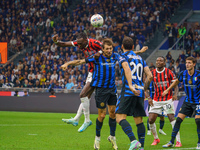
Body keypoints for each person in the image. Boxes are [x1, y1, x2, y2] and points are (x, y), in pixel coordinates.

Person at [55, 32, 147, 132]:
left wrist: (138, 52)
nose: (79, 46)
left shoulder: (96, 43)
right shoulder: (79, 42)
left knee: (84, 95)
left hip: (98, 72)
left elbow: (119, 54)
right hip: (91, 72)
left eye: (81, 43)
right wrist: (56, 41)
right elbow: (63, 44)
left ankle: (85, 120)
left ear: (86, 40)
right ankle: (78, 119)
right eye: (78, 43)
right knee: (86, 96)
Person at [115, 37, 152, 150]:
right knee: (139, 120)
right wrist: (144, 88)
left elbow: (126, 68)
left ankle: (133, 140)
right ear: (132, 47)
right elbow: (150, 76)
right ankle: (141, 147)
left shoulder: (122, 56)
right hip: (140, 92)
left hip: (128, 91)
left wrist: (131, 85)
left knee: (119, 117)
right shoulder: (141, 59)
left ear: (122, 46)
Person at [162, 57, 200, 149]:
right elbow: (176, 82)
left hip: (198, 102)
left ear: (194, 64)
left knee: (198, 121)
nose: (187, 64)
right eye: (186, 63)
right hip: (187, 102)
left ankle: (199, 143)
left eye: (190, 63)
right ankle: (171, 142)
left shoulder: (198, 74)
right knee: (178, 120)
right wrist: (167, 89)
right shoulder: (183, 74)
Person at [146, 56, 182, 147]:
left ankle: (178, 141)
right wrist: (148, 98)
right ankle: (156, 139)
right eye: (157, 60)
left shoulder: (169, 72)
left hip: (168, 99)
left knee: (172, 119)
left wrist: (175, 94)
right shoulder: (152, 73)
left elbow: (176, 84)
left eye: (160, 60)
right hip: (156, 100)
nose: (158, 62)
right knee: (150, 120)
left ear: (164, 62)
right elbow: (145, 87)